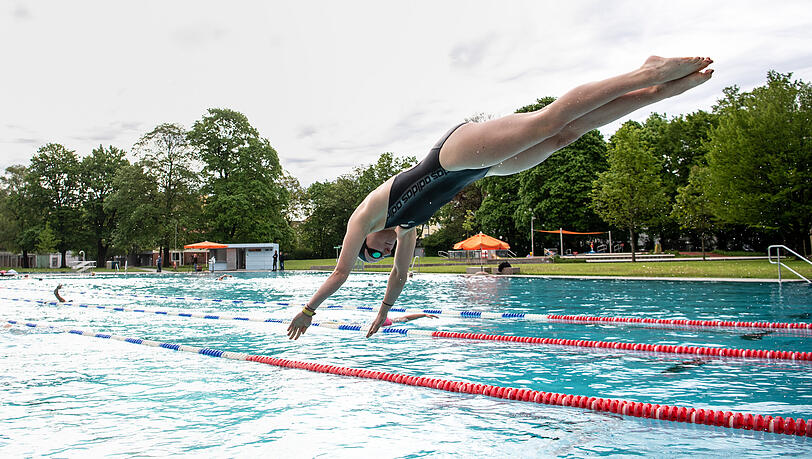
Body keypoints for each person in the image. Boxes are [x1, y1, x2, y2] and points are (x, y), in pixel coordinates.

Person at [288, 56, 714, 340]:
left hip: (451, 155)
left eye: (375, 255)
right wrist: (384, 310)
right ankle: (653, 94)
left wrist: (308, 310)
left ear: (365, 241)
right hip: (483, 168)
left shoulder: (365, 215)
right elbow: (400, 276)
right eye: (380, 258)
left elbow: (342, 273)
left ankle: (646, 72)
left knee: (549, 121)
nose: (384, 254)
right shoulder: (409, 229)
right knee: (566, 136)